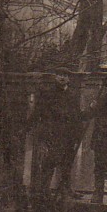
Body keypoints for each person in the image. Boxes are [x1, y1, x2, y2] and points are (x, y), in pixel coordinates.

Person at [28, 67, 83, 202]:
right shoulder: (48, 94)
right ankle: (44, 190)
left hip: (68, 136)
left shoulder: (72, 95)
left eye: (65, 75)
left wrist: (77, 134)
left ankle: (66, 189)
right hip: (52, 134)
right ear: (55, 77)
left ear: (68, 79)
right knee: (49, 162)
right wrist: (30, 126)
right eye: (59, 75)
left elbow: (77, 116)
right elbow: (38, 112)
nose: (62, 77)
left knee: (66, 164)